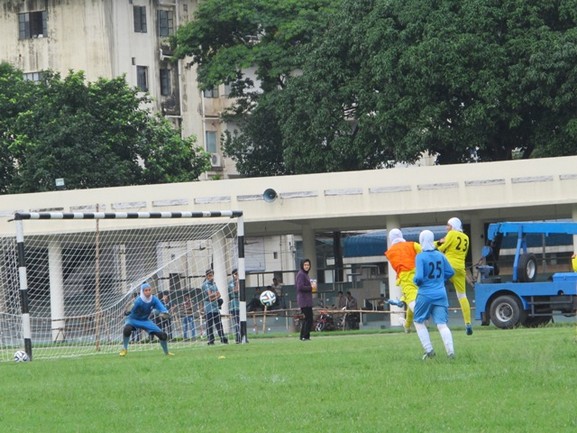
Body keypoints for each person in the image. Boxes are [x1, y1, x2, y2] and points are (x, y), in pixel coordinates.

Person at [413, 230, 455, 360]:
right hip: (441, 293)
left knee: (418, 321)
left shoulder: (420, 257)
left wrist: (416, 281)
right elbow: (451, 272)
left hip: (425, 293)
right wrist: (441, 280)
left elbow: (419, 277)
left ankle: (429, 350)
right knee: (442, 324)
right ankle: (450, 352)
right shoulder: (440, 255)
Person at [435, 217, 473, 335]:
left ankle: (440, 320)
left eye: (448, 225)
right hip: (460, 268)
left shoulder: (451, 234)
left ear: (453, 226)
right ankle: (468, 323)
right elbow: (465, 254)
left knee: (436, 288)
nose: (447, 228)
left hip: (447, 267)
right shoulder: (466, 237)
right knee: (462, 296)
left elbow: (441, 249)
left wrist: (438, 242)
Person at [120, 282, 173, 356]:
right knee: (127, 329)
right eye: (146, 290)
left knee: (163, 335)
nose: (148, 292)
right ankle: (124, 349)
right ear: (142, 291)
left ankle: (167, 353)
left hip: (145, 321)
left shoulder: (154, 299)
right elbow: (128, 311)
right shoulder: (138, 300)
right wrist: (127, 311)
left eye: (149, 290)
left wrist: (165, 313)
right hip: (133, 320)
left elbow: (162, 309)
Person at [385, 228, 422, 333]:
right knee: (412, 300)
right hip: (418, 274)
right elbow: (424, 252)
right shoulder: (413, 245)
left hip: (405, 278)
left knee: (412, 300)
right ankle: (407, 325)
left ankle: (415, 321)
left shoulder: (390, 252)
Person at [202, 269, 228, 345]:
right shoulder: (205, 285)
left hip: (215, 307)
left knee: (219, 324)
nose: (211, 277)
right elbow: (210, 295)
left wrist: (214, 297)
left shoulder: (214, 284)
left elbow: (219, 294)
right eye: (210, 275)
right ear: (206, 276)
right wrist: (214, 295)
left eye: (212, 275)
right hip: (208, 308)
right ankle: (211, 340)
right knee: (209, 325)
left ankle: (223, 338)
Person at [296, 258, 316, 341]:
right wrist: (311, 288)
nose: (307, 266)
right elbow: (300, 287)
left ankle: (304, 336)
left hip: (307, 300)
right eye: (305, 265)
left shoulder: (305, 274)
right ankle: (304, 336)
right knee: (308, 318)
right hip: (304, 300)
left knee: (307, 318)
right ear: (302, 265)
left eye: (308, 265)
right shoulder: (301, 274)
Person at [228, 268, 241, 343]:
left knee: (242, 322)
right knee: (237, 322)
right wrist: (237, 281)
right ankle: (237, 338)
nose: (238, 276)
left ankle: (243, 337)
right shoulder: (231, 283)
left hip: (240, 304)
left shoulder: (241, 282)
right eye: (236, 274)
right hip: (234, 305)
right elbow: (235, 291)